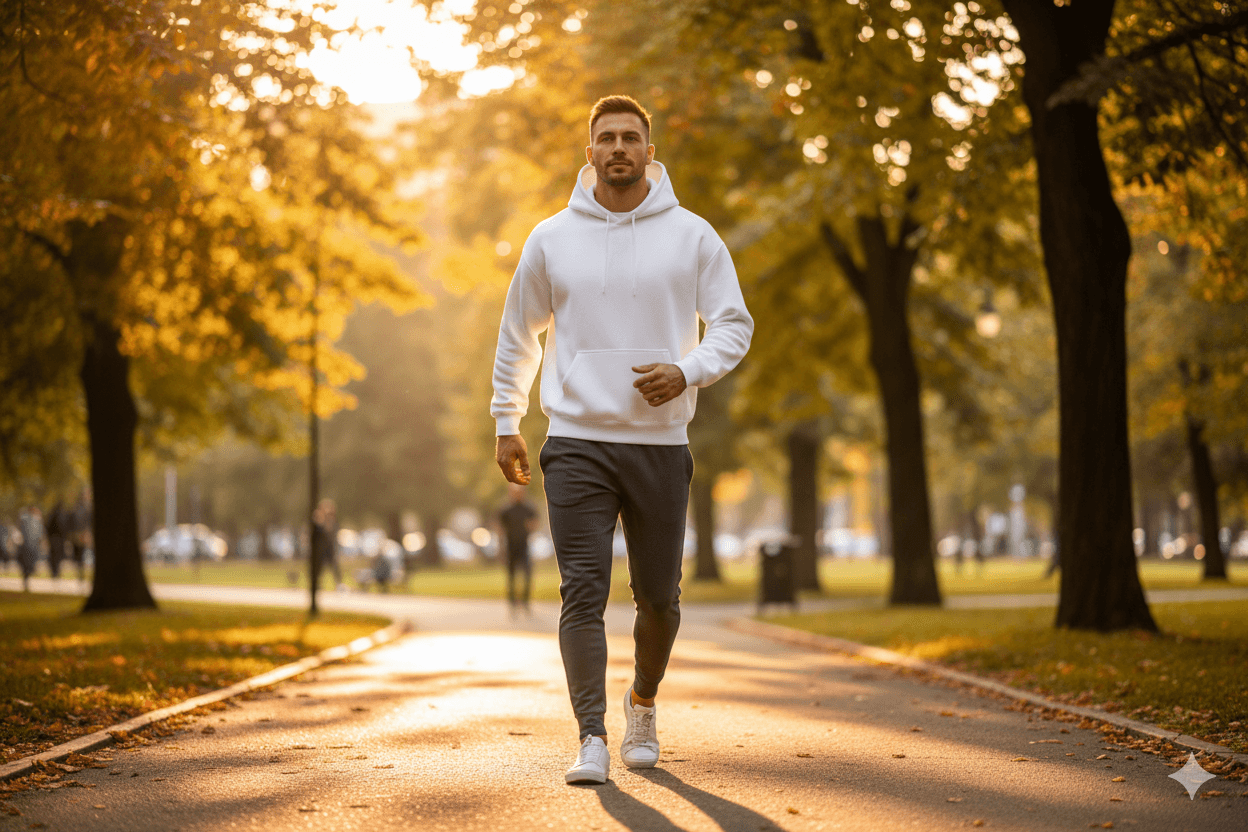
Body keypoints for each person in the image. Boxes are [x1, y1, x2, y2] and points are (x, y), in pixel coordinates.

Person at [491, 95, 753, 785]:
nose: (617, 148)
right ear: (589, 153)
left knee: (659, 598)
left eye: (629, 138)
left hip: (661, 445)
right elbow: (520, 333)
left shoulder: (693, 236)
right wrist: (505, 420)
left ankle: (642, 704)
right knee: (582, 589)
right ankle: (590, 737)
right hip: (576, 438)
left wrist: (689, 370)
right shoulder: (550, 238)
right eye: (605, 138)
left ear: (649, 150)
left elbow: (733, 324)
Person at [498, 482, 539, 614]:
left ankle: (525, 601)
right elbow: (499, 526)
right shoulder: (506, 509)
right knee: (511, 576)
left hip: (524, 545)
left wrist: (529, 529)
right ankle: (512, 603)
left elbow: (535, 522)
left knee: (527, 573)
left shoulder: (528, 508)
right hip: (510, 546)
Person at [311, 498, 343, 591]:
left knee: (334, 566)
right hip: (320, 549)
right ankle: (316, 585)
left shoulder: (332, 521)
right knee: (319, 568)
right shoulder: (318, 519)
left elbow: (332, 532)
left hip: (330, 548)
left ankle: (339, 584)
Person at [17, 505, 44, 591]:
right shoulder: (27, 519)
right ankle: (26, 581)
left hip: (31, 547)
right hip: (28, 547)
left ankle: (26, 581)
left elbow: (40, 534)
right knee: (27, 565)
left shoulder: (34, 520)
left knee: (29, 565)